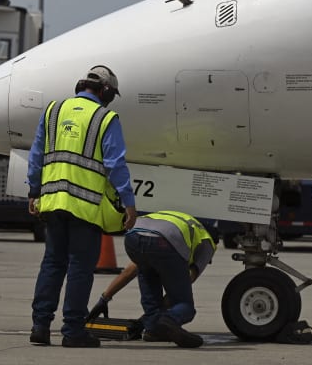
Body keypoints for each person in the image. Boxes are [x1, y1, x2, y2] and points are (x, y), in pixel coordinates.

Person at [28, 65, 138, 348]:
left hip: (52, 203)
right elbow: (115, 165)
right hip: (85, 207)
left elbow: (36, 154)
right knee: (79, 268)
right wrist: (128, 203)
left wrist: (33, 192)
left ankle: (40, 327)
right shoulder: (105, 118)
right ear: (104, 91)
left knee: (52, 264)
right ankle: (73, 331)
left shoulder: (53, 111)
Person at [122, 210, 217, 348]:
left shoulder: (179, 219)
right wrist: (169, 312)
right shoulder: (207, 241)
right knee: (185, 306)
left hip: (132, 237)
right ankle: (169, 320)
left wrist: (105, 298)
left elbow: (129, 271)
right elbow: (189, 278)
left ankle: (152, 328)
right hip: (164, 242)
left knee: (147, 272)